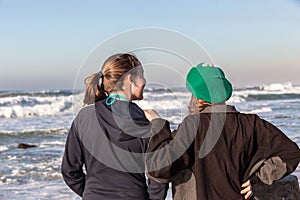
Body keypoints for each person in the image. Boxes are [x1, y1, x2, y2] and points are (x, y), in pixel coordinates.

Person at [144, 62, 300, 200]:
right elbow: (291, 152)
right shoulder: (251, 124)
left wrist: (158, 126)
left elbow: (158, 169)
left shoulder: (193, 125)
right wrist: (259, 178)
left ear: (197, 97)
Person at [61, 53, 168, 200]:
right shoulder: (145, 121)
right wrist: (159, 127)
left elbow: (70, 171)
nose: (145, 81)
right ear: (130, 79)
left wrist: (91, 193)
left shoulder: (83, 117)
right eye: (142, 75)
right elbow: (159, 172)